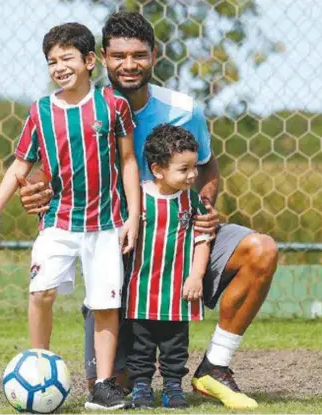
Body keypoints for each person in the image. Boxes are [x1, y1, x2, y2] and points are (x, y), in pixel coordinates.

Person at [18, 12, 279, 411]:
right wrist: (35, 191)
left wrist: (204, 208)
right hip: (116, 244)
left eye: (139, 55)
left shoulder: (183, 108)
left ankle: (215, 367)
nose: (128, 65)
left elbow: (206, 165)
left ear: (155, 56)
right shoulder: (83, 108)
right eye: (118, 56)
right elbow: (44, 168)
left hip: (180, 235)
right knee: (110, 385)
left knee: (261, 250)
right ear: (101, 58)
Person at [0, 22, 140, 410]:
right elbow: (20, 165)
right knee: (41, 293)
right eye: (51, 61)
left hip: (106, 225)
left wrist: (133, 217)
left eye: (66, 58)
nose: (59, 67)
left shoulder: (112, 106)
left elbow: (128, 161)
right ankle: (37, 366)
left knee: (105, 305)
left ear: (90, 61)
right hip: (57, 223)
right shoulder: (40, 112)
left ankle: (103, 386)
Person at [124, 124, 211, 409]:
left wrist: (196, 275)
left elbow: (202, 239)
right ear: (158, 169)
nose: (192, 175)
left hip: (177, 291)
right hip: (141, 290)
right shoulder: (137, 198)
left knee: (175, 346)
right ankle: (141, 386)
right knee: (141, 346)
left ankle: (173, 387)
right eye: (183, 169)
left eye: (194, 167)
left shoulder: (192, 201)